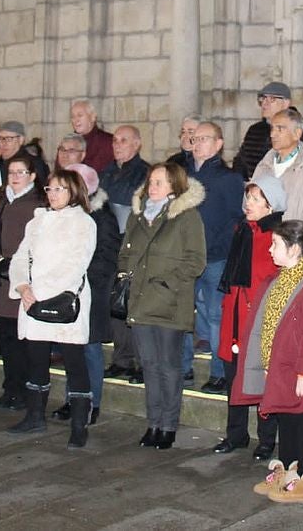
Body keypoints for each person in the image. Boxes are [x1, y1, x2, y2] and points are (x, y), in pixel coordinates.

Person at [233, 220, 303, 505]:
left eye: (276, 245)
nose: (270, 250)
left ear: (295, 249)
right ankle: (288, 467)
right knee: (285, 418)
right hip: (280, 367)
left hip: (301, 371)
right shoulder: (277, 280)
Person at [118, 163, 207, 449]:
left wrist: (167, 283)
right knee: (149, 365)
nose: (152, 186)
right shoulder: (138, 217)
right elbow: (124, 254)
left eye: (159, 181)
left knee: (169, 366)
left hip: (169, 302)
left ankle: (168, 425)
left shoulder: (186, 217)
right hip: (142, 301)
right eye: (150, 181)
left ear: (174, 186)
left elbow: (196, 261)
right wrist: (126, 275)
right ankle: (153, 422)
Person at [7, 168, 98, 447]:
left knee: (74, 362)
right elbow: (21, 255)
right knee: (36, 360)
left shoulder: (83, 222)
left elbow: (77, 262)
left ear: (73, 191)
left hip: (64, 300)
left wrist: (47, 292)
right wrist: (23, 286)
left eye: (60, 189)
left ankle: (79, 424)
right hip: (33, 299)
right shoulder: (37, 221)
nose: (53, 194)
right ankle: (35, 415)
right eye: (50, 189)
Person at [213, 175, 286, 457]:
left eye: (256, 199)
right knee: (233, 379)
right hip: (234, 314)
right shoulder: (242, 230)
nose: (249, 204)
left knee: (262, 381)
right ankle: (236, 434)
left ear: (271, 204)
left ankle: (266, 439)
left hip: (260, 318)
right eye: (248, 198)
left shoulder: (277, 236)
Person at [50, 163, 121, 425]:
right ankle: (74, 399)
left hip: (90, 293)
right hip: (67, 292)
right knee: (71, 351)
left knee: (89, 350)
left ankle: (92, 402)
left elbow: (106, 257)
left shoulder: (101, 216)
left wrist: (79, 278)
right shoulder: (64, 215)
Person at [188, 121, 245, 392]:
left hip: (216, 257)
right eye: (194, 138)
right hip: (186, 258)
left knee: (215, 316)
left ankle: (219, 372)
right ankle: (184, 367)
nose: (197, 143)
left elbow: (237, 218)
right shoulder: (183, 175)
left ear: (219, 144)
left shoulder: (229, 178)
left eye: (204, 138)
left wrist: (221, 245)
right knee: (182, 314)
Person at [0, 153, 47, 410]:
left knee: (21, 341)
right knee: (7, 339)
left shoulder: (36, 204)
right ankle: (10, 388)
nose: (14, 177)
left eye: (20, 172)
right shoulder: (2, 201)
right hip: (1, 280)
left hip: (21, 278)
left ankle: (23, 390)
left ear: (32, 176)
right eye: (11, 172)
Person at [101, 128, 148, 381]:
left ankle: (140, 361)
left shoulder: (145, 172)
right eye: (115, 141)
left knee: (133, 303)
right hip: (110, 244)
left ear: (137, 144)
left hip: (132, 242)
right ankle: (122, 358)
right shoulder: (106, 172)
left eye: (124, 141)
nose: (117, 145)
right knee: (116, 303)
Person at [253, 109, 303, 221]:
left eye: (280, 129)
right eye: (272, 128)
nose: (272, 134)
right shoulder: (263, 166)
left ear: (297, 133)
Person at [234, 82, 303, 179]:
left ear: (286, 103)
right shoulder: (254, 130)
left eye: (272, 99)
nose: (265, 103)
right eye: (263, 98)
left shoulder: (297, 129)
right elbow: (241, 162)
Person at [70, 99, 114, 172]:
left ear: (93, 117)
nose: (76, 120)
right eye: (73, 117)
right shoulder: (67, 143)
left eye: (80, 115)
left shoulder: (108, 141)